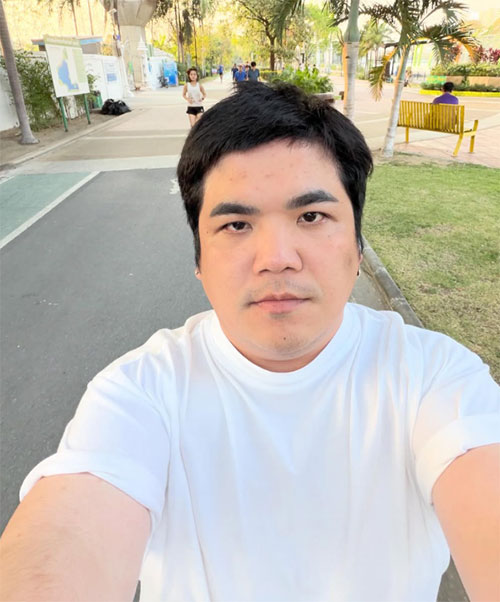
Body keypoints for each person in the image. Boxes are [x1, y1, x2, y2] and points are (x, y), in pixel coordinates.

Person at [0, 82, 499, 602]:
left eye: (311, 216)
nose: (276, 258)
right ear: (199, 261)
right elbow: (65, 536)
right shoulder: (139, 393)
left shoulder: (436, 378)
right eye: (237, 224)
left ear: (357, 247)